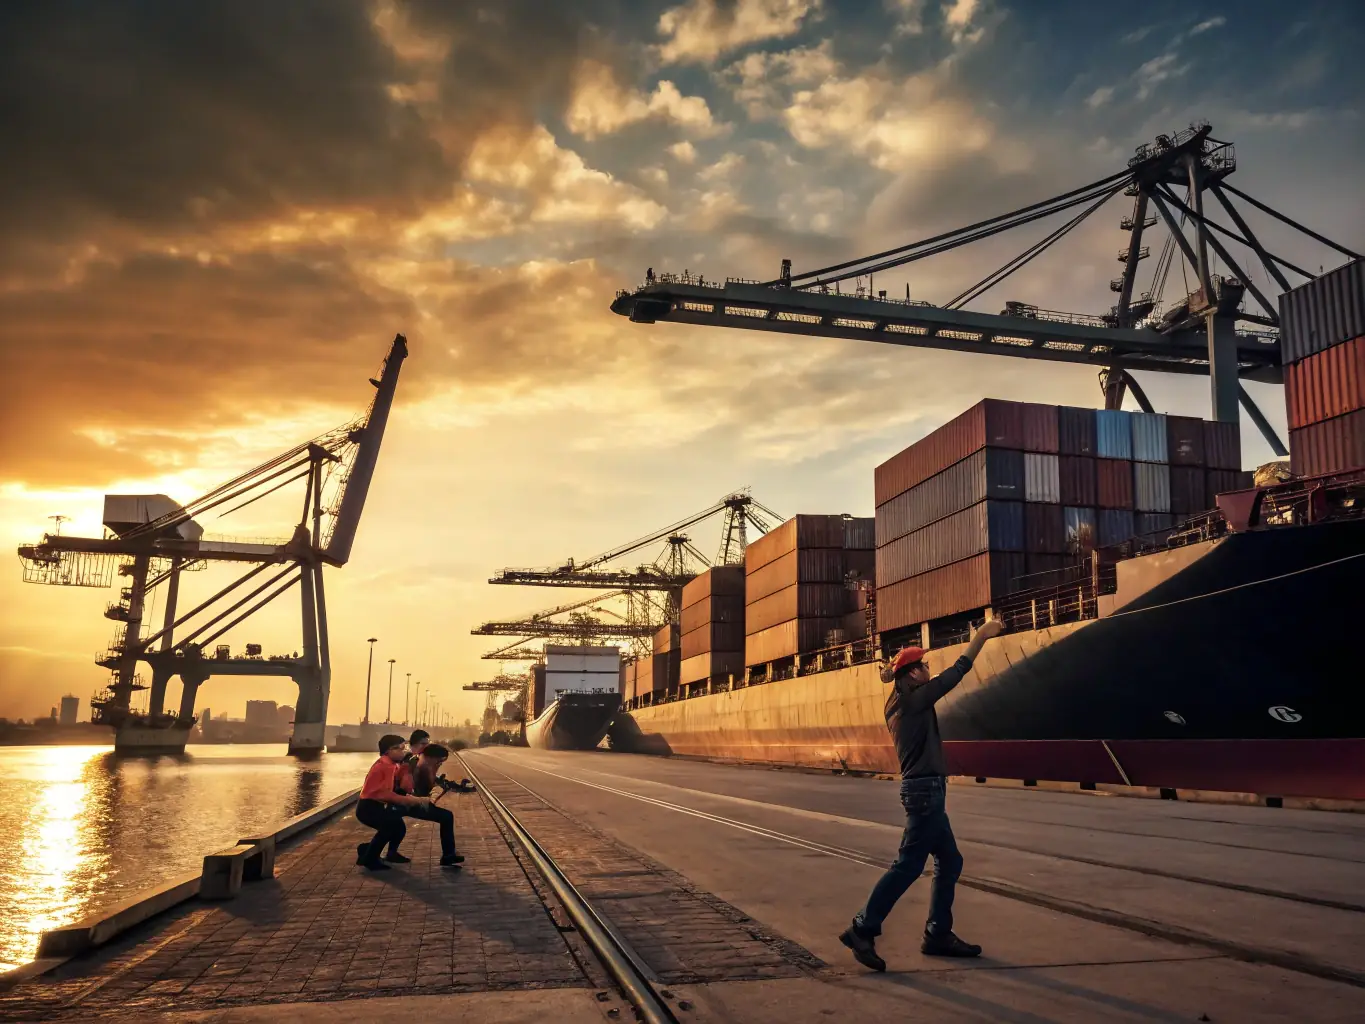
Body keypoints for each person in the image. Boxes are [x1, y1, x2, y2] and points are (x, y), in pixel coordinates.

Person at [839, 617, 1005, 970]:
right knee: (909, 865)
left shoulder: (898, 700)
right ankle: (862, 928)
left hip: (926, 790)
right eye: (924, 665)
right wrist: (981, 637)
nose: (929, 669)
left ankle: (937, 934)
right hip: (925, 792)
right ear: (912, 674)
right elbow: (957, 672)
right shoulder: (913, 700)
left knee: (950, 860)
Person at [356, 734, 433, 871]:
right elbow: (387, 794)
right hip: (368, 807)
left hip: (376, 805)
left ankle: (377, 851)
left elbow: (403, 786)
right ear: (387, 751)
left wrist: (406, 770)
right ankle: (370, 859)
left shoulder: (392, 765)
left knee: (398, 827)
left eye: (403, 748)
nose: (402, 751)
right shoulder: (384, 766)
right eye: (398, 749)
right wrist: (416, 800)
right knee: (388, 828)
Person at [405, 744, 465, 867]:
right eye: (439, 761)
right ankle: (448, 855)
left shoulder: (419, 763)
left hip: (410, 801)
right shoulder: (421, 769)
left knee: (394, 830)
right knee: (446, 817)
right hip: (408, 803)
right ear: (431, 758)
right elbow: (423, 792)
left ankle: (449, 855)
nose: (439, 764)